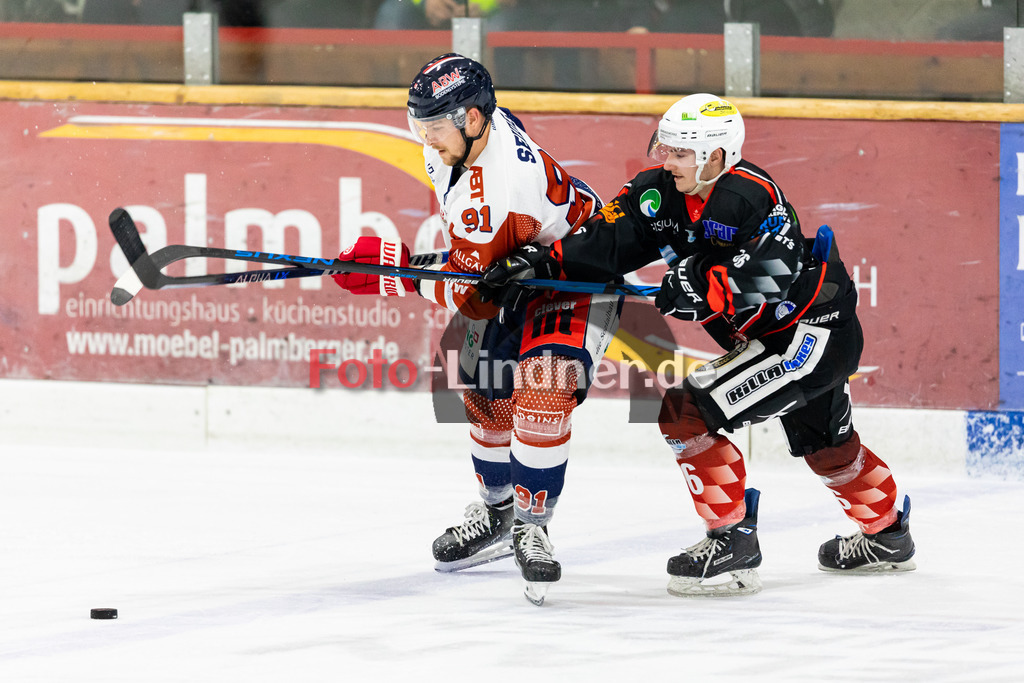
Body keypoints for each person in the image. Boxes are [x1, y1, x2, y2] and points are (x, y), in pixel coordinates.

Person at [479, 93, 916, 597]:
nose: (667, 161)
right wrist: (537, 264)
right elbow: (604, 242)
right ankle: (887, 536)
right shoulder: (657, 193)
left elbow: (770, 272)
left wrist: (698, 281)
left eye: (681, 153)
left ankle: (731, 542)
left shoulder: (751, 196)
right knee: (827, 446)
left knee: (685, 411)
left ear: (717, 157)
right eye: (665, 148)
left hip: (808, 336)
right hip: (776, 338)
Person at [330, 54, 618, 605]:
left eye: (435, 127)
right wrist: (407, 266)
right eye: (420, 126)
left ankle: (532, 526)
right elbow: (481, 269)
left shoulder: (503, 188)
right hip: (516, 267)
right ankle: (497, 511)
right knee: (482, 383)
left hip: (580, 281)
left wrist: (394, 271)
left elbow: (474, 294)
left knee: (544, 385)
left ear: (472, 119)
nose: (426, 140)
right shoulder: (466, 138)